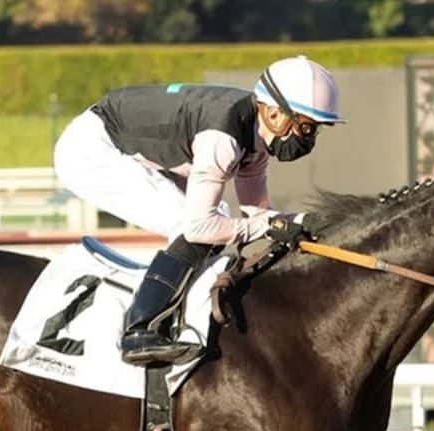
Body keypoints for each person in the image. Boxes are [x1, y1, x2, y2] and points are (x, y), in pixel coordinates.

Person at [53, 55, 345, 366]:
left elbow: (258, 215)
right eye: (306, 127)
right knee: (192, 224)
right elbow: (199, 228)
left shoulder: (255, 140)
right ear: (275, 115)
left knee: (214, 216)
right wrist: (266, 226)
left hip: (121, 139)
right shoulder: (223, 138)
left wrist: (303, 222)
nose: (309, 139)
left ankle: (172, 311)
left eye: (313, 130)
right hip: (90, 150)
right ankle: (138, 331)